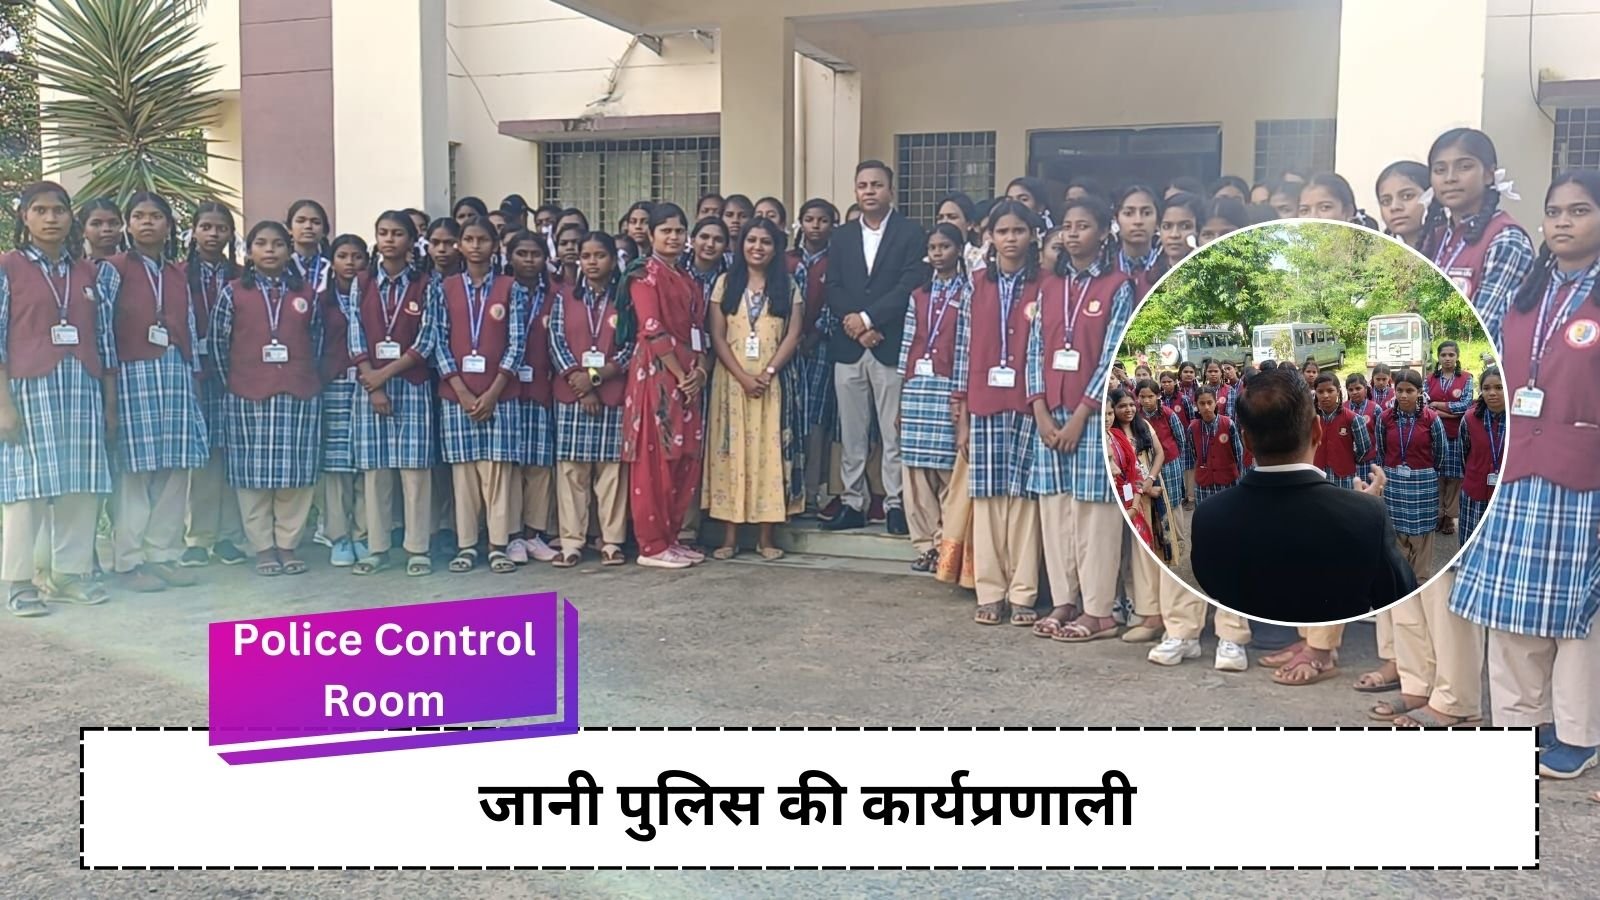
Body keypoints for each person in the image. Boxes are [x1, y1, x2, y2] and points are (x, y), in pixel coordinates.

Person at [1450, 171, 1600, 775]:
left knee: (1577, 613)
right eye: (1554, 211)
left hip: (1583, 473)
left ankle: (1578, 731)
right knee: (1511, 608)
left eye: (1580, 210)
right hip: (1518, 468)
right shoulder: (1528, 293)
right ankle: (1517, 722)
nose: (1563, 222)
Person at [1191, 367, 1412, 624]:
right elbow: (1400, 596)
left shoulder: (1208, 516)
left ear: (1246, 441)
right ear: (1317, 431)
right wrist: (1361, 505)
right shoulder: (1368, 515)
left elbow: (1212, 583)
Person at [1, 182, 117, 615]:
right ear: (24, 218)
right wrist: (3, 406)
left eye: (59, 210)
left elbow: (104, 342)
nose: (51, 219)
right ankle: (19, 580)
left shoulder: (86, 272)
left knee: (81, 486)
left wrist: (109, 404)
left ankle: (68, 575)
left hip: (82, 388)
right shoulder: (7, 267)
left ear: (71, 218)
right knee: (25, 488)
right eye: (40, 210)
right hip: (28, 390)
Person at [1027, 197, 1134, 643]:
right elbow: (1035, 350)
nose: (1072, 234)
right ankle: (1064, 600)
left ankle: (1099, 611)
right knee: (1056, 511)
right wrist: (1040, 412)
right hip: (1049, 416)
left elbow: (1112, 355)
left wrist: (1080, 418)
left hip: (1092, 418)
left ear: (1103, 233)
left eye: (1083, 225)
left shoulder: (1118, 285)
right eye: (1067, 226)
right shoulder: (1049, 286)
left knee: (1095, 513)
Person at [100, 193, 209, 594]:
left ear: (169, 226)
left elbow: (192, 326)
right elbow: (103, 330)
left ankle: (164, 555)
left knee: (176, 468)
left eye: (156, 217)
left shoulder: (178, 273)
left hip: (175, 375)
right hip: (133, 375)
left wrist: (194, 380)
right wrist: (109, 388)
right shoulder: (114, 269)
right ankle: (128, 561)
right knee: (135, 471)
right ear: (127, 225)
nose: (147, 223)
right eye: (139, 217)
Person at [212, 220, 323, 578]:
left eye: (277, 244)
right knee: (252, 476)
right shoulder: (232, 292)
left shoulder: (305, 293)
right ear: (249, 251)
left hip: (298, 393)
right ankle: (262, 547)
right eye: (261, 243)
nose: (270, 250)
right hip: (248, 394)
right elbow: (218, 344)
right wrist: (236, 381)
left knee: (296, 474)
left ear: (289, 250)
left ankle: (288, 545)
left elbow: (318, 342)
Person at [823, 160, 928, 534]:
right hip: (849, 346)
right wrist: (855, 325)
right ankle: (853, 501)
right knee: (852, 431)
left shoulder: (910, 233)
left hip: (889, 343)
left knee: (892, 430)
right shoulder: (842, 236)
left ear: (891, 190)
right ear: (855, 191)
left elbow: (910, 283)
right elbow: (832, 285)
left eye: (877, 185)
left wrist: (869, 320)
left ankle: (896, 503)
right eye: (863, 185)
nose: (869, 191)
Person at [953, 200, 1041, 627]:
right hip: (984, 402)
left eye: (1018, 230)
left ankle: (1023, 593)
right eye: (1002, 231)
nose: (1010, 239)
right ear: (990, 237)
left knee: (1025, 498)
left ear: (1032, 235)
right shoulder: (975, 284)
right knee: (987, 495)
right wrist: (961, 416)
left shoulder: (1045, 283)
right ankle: (990, 591)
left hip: (1028, 403)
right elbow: (963, 348)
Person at [703, 217, 804, 559]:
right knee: (730, 453)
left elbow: (793, 333)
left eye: (765, 242)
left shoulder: (788, 285)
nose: (757, 247)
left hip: (772, 383)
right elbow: (716, 335)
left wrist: (769, 371)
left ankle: (766, 538)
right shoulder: (724, 283)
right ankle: (729, 537)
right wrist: (743, 377)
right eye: (751, 240)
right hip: (731, 383)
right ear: (741, 244)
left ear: (776, 248)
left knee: (768, 454)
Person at [347, 210, 437, 578]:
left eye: (397, 233)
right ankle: (377, 547)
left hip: (411, 384)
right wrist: (374, 381)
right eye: (382, 233)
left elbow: (428, 338)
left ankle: (417, 548)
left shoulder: (425, 283)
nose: (389, 240)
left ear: (411, 239)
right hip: (370, 387)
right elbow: (355, 331)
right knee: (376, 471)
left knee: (414, 470)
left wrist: (385, 374)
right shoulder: (363, 281)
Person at [434, 216, 525, 576]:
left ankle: (498, 544)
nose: (475, 246)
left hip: (499, 394)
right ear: (459, 244)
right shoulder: (444, 287)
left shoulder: (510, 287)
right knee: (464, 474)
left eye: (482, 240)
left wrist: (492, 392)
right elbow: (437, 341)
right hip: (456, 394)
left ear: (495, 245)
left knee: (497, 472)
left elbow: (516, 343)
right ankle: (467, 545)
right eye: (468, 239)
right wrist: (459, 388)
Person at [622, 204, 709, 569]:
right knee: (654, 459)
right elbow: (652, 328)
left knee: (684, 456)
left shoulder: (687, 279)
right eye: (666, 231)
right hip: (657, 376)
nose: (673, 237)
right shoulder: (644, 275)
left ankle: (671, 537)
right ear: (652, 235)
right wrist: (679, 373)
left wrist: (699, 372)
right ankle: (652, 544)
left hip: (688, 378)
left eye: (678, 231)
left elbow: (699, 332)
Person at [550, 231, 633, 568]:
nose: (593, 262)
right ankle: (572, 541)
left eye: (600, 255)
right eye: (586, 256)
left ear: (613, 260)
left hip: (612, 394)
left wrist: (595, 379)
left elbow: (631, 347)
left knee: (611, 471)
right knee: (572, 471)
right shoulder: (565, 297)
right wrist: (580, 384)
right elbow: (556, 342)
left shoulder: (626, 299)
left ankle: (611, 540)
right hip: (572, 395)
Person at [179, 201, 248, 567]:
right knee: (201, 457)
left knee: (230, 453)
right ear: (193, 232)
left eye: (221, 228)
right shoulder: (177, 275)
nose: (213, 234)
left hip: (234, 373)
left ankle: (228, 537)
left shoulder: (241, 275)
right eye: (206, 227)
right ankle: (197, 536)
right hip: (193, 373)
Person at [898, 224, 966, 573]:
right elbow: (907, 346)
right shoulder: (918, 295)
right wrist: (899, 399)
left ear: (959, 250)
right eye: (933, 247)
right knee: (915, 472)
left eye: (945, 246)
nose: (938, 253)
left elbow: (968, 347)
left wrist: (961, 396)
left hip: (948, 387)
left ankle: (945, 544)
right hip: (916, 389)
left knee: (944, 469)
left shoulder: (969, 293)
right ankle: (924, 544)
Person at [1423, 128, 1536, 339]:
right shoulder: (1437, 238)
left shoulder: (1505, 239)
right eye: (1440, 170)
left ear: (1489, 174)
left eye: (1464, 167)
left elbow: (1481, 329)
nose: (1450, 178)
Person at [503, 229, 561, 565]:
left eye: (535, 254)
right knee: (510, 465)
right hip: (504, 388)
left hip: (540, 386)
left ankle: (533, 533)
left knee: (539, 465)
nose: (528, 260)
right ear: (510, 257)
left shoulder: (557, 294)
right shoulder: (498, 291)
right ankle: (510, 535)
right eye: (521, 253)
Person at [316, 234, 370, 568]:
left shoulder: (375, 297)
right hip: (334, 385)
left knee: (365, 461)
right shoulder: (320, 301)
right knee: (336, 465)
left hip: (368, 384)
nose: (350, 263)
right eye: (343, 256)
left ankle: (363, 534)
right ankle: (339, 536)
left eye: (357, 257)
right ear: (332, 261)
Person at [787, 199, 836, 517]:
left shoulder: (838, 260)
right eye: (809, 219)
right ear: (800, 223)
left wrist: (815, 335)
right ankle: (789, 491)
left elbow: (837, 300)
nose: (815, 225)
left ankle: (813, 491)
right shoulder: (786, 260)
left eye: (822, 220)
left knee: (816, 418)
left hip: (820, 347)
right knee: (790, 414)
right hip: (786, 348)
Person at [1425, 340, 1474, 535]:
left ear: (1457, 356)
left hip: (1456, 436)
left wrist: (1439, 406)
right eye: (1443, 355)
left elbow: (1467, 405)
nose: (1447, 358)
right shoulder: (1429, 379)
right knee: (1437, 475)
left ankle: (1449, 517)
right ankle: (1437, 514)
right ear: (1438, 357)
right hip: (1434, 436)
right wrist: (1451, 412)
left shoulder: (1467, 378)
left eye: (1451, 355)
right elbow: (1425, 404)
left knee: (1454, 478)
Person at [1457, 365, 1504, 545]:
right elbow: (1464, 455)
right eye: (1486, 388)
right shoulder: (1470, 419)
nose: (1492, 393)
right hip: (1474, 493)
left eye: (1499, 388)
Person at [1312, 372, 1371, 490]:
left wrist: (1348, 458)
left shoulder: (1353, 418)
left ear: (1338, 391)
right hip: (1317, 476)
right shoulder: (1311, 419)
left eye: (1330, 391)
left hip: (1344, 477)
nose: (1325, 395)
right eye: (1320, 392)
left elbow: (1364, 448)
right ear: (1315, 393)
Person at [1187, 387, 1242, 504]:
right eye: (1202, 403)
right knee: (1206, 517)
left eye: (1209, 403)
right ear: (1196, 405)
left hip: (1228, 481)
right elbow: (1194, 454)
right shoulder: (1192, 428)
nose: (1206, 407)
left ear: (1215, 402)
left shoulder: (1228, 424)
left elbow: (1239, 454)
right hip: (1204, 483)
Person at [1114, 186, 1163, 300]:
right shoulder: (1104, 268)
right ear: (1116, 220)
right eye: (1128, 213)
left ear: (1158, 221)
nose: (1138, 221)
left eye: (1146, 213)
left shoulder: (1167, 268)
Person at [1375, 161, 1435, 251]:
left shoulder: (1448, 250)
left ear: (1431, 196)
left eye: (1407, 196)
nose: (1394, 207)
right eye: (1386, 201)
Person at [286, 199, 331, 296]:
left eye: (316, 222)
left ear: (324, 231)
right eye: (301, 221)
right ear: (289, 229)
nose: (308, 226)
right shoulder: (281, 265)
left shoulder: (331, 265)